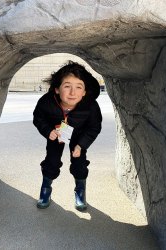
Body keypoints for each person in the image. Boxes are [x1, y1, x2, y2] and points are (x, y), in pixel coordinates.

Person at [33, 61, 102, 211]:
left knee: (79, 162)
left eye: (78, 87)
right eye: (67, 86)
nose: (72, 92)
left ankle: (80, 190)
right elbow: (38, 118)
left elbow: (94, 127)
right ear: (57, 89)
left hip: (79, 134)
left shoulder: (91, 106)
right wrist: (48, 131)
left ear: (84, 91)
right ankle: (46, 189)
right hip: (57, 132)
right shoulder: (46, 102)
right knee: (51, 160)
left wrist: (81, 145)